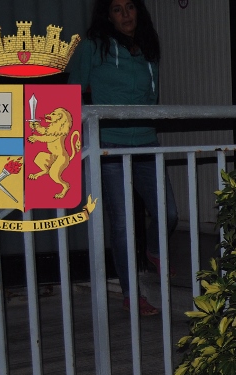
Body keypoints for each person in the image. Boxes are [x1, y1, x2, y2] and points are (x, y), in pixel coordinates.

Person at [70, 0, 179, 316]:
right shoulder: (94, 46)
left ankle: (155, 250)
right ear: (108, 16)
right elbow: (72, 90)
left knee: (169, 212)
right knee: (121, 224)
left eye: (130, 7)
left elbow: (151, 95)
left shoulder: (147, 46)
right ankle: (133, 296)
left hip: (146, 142)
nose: (125, 14)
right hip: (109, 146)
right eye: (117, 9)